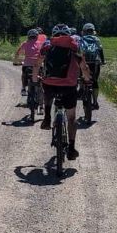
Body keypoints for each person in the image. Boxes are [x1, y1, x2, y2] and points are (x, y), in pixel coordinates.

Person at [32, 24, 91, 160]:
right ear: (68, 34)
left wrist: (35, 79)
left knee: (46, 87)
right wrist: (87, 79)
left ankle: (47, 116)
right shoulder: (74, 46)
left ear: (53, 34)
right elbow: (84, 67)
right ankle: (71, 148)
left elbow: (37, 64)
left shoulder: (47, 46)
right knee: (71, 118)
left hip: (50, 84)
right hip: (69, 86)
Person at [80, 23, 105, 110]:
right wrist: (103, 61)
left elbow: (79, 52)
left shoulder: (81, 39)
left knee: (82, 78)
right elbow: (100, 50)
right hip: (95, 63)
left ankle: (82, 90)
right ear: (93, 31)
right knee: (95, 81)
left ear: (84, 31)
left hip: (84, 62)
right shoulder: (96, 39)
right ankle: (95, 102)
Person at [14, 29, 42, 96]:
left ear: (28, 36)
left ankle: (23, 88)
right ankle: (41, 90)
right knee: (41, 75)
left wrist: (17, 62)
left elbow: (18, 53)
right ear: (37, 36)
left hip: (27, 64)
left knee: (24, 74)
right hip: (38, 64)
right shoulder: (40, 43)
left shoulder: (25, 43)